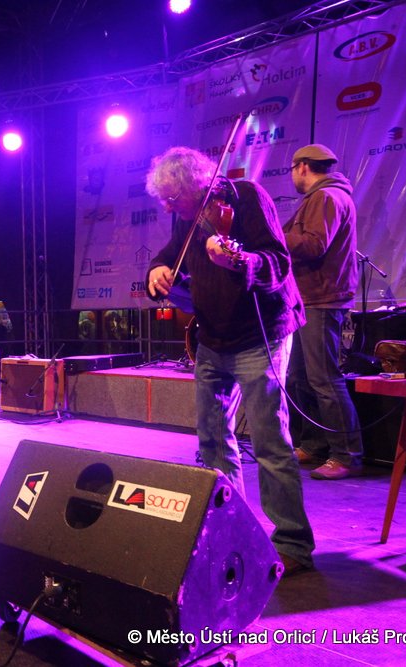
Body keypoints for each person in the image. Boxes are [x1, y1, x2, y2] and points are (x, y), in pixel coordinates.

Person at [145, 146, 315, 575]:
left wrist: (239, 260)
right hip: (213, 337)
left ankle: (292, 543)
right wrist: (156, 270)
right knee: (213, 441)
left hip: (259, 334)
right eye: (164, 200)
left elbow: (278, 262)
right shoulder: (186, 215)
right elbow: (171, 253)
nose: (168, 207)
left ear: (195, 186)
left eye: (172, 198)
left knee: (269, 442)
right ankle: (230, 530)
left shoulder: (248, 198)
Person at [283, 144, 364, 480]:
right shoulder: (323, 197)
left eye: (292, 169)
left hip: (321, 298)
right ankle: (314, 445)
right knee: (300, 378)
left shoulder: (326, 197)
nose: (292, 175)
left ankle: (347, 455)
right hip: (310, 298)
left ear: (302, 166)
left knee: (324, 378)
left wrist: (275, 235)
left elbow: (314, 244)